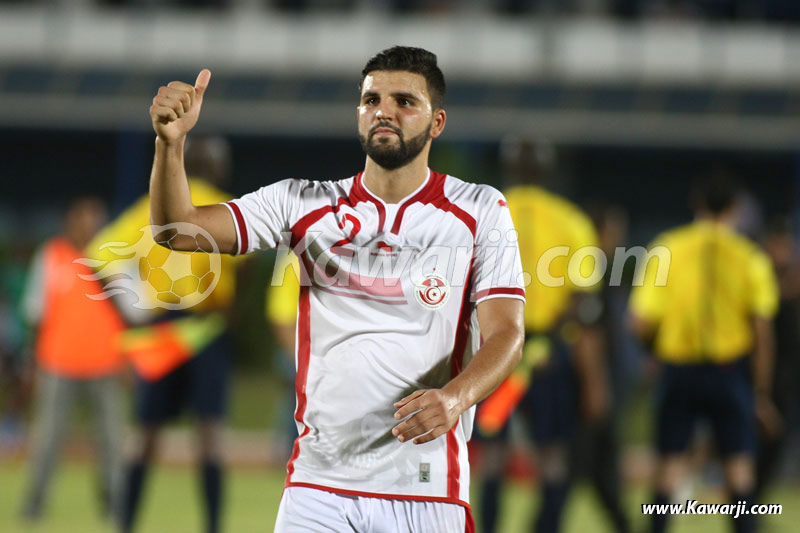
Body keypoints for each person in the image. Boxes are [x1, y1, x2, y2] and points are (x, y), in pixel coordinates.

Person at [147, 45, 526, 532]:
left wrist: (454, 398)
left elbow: (507, 335)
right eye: (372, 100)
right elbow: (177, 229)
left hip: (424, 488)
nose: (384, 111)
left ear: (437, 123)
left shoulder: (479, 210)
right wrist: (169, 144)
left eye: (405, 102)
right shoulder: (302, 202)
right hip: (316, 490)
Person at [86, 136, 240, 533]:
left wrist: (128, 313)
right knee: (209, 434)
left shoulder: (152, 209)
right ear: (218, 168)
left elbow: (100, 254)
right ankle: (212, 525)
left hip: (160, 327)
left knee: (145, 434)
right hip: (206, 329)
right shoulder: (224, 206)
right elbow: (249, 259)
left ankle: (125, 523)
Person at [474, 138, 621, 533]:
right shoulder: (571, 220)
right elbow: (585, 301)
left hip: (495, 352)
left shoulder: (484, 213)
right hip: (549, 354)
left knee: (491, 456)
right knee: (553, 457)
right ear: (548, 170)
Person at [629, 173, 780, 533]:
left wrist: (655, 353)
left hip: (679, 369)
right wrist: (760, 392)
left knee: (669, 468)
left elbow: (640, 322)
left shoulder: (668, 247)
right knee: (739, 471)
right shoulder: (750, 257)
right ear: (734, 208)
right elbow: (762, 330)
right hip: (730, 370)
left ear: (696, 203)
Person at [19, 197, 126, 522]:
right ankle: (34, 504)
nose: (90, 227)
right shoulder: (51, 256)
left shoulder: (114, 256)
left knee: (110, 441)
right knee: (48, 439)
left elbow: (133, 312)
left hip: (106, 364)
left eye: (96, 221)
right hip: (58, 363)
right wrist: (31, 364)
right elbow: (36, 314)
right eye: (84, 220)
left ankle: (115, 506)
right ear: (70, 221)